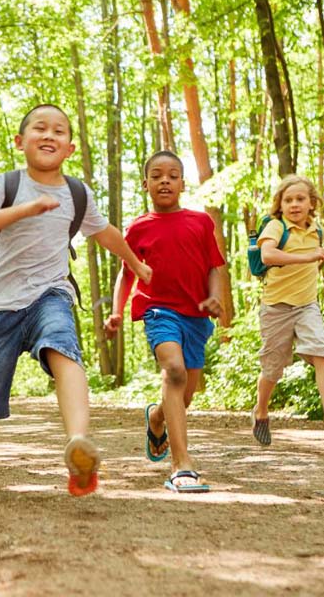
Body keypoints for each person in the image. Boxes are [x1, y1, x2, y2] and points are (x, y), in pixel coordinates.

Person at [0, 104, 152, 497]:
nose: (50, 135)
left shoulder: (77, 193)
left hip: (52, 291)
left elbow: (106, 233)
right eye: (40, 128)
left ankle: (78, 442)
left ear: (71, 148)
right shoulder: (8, 184)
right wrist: (26, 208)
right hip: (0, 304)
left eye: (59, 131)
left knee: (63, 345)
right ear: (20, 141)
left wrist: (135, 263)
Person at [104, 150, 224, 493]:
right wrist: (116, 311)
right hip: (159, 311)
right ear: (145, 185)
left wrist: (215, 297)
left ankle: (157, 417)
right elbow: (126, 275)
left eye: (172, 175)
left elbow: (215, 266)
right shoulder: (139, 227)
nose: (165, 181)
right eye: (157, 176)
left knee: (184, 397)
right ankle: (181, 464)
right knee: (173, 370)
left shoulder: (201, 223)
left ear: (183, 184)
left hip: (196, 316)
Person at [250, 175, 324, 446]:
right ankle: (261, 411)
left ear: (312, 203)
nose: (294, 204)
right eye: (288, 200)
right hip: (276, 307)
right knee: (272, 369)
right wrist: (308, 257)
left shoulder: (316, 230)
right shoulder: (276, 226)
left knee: (323, 354)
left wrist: (310, 262)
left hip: (308, 306)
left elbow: (309, 268)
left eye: (300, 199)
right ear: (280, 205)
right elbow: (268, 256)